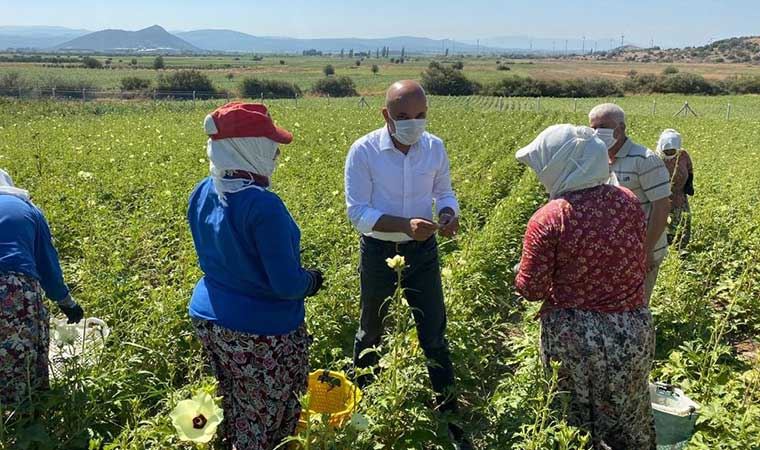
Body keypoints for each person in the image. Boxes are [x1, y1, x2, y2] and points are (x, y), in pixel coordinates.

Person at [187, 103, 324, 450]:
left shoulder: (203, 191)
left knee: (232, 397)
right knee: (265, 415)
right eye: (269, 143)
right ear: (248, 148)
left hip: (210, 317)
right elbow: (286, 285)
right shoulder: (264, 207)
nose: (276, 152)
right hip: (259, 332)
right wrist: (312, 281)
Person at [344, 80, 470, 447]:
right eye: (403, 117)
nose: (413, 123)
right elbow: (358, 213)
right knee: (371, 331)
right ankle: (359, 410)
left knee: (433, 333)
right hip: (379, 251)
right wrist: (403, 226)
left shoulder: (434, 148)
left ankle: (450, 416)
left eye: (420, 116)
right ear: (386, 115)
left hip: (423, 252)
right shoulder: (364, 151)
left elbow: (444, 191)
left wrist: (448, 213)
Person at [515, 125, 656, 450]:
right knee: (629, 420)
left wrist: (522, 272)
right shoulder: (628, 200)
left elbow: (531, 289)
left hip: (577, 338)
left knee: (577, 426)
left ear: (561, 167)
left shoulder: (550, 217)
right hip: (632, 328)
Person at [0, 169, 84, 406]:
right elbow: (48, 265)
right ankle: (25, 415)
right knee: (21, 353)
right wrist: (67, 303)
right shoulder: (28, 211)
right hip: (14, 287)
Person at [589, 104, 671, 304]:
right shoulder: (598, 159)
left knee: (636, 305)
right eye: (593, 128)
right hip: (616, 250)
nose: (597, 132)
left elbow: (662, 207)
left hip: (642, 249)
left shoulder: (644, 159)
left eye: (603, 126)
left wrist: (646, 250)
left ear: (621, 128)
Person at [656, 129, 694, 250]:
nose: (670, 152)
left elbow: (689, 169)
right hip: (662, 198)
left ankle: (680, 249)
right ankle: (665, 249)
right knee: (664, 226)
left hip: (680, 196)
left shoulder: (682, 155)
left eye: (672, 150)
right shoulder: (655, 158)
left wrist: (689, 184)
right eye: (667, 151)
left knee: (682, 223)